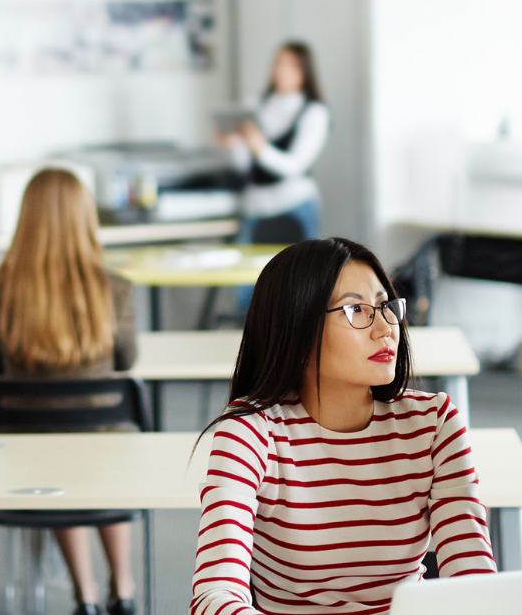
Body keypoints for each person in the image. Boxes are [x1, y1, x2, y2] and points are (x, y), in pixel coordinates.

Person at [192, 238, 495, 615]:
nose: (386, 327)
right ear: (297, 329)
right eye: (355, 309)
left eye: (386, 306)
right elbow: (214, 594)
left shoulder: (433, 423)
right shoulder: (250, 432)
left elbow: (473, 583)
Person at [0, 167, 140, 615]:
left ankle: (84, 594)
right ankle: (123, 589)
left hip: (27, 448)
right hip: (105, 443)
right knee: (101, 447)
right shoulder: (116, 288)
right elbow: (125, 361)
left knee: (56, 451)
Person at [219, 41, 329, 245]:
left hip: (293, 206)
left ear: (304, 71)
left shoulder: (314, 112)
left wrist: (261, 149)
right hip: (255, 207)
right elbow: (244, 166)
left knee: (295, 274)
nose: (282, 70)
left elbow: (294, 166)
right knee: (247, 275)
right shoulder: (256, 105)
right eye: (279, 63)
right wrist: (235, 145)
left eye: (291, 65)